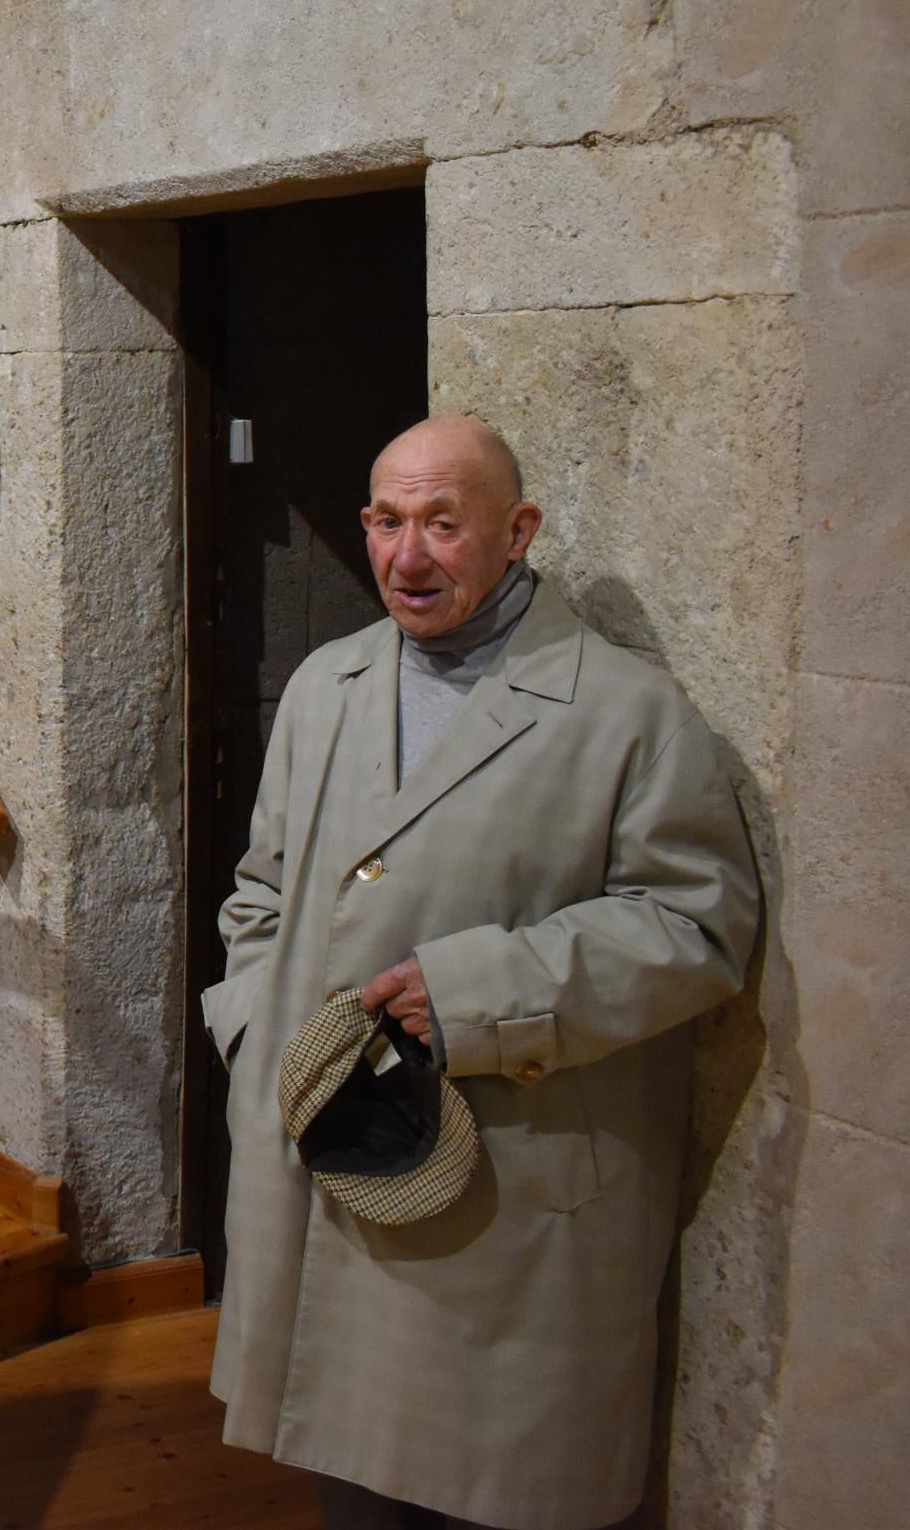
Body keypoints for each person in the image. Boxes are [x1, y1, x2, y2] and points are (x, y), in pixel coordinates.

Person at [209, 415, 762, 1530]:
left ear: (519, 531)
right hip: (334, 1172)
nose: (407, 556)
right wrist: (257, 1037)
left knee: (494, 1489)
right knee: (352, 1488)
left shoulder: (626, 712)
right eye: (387, 521)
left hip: (503, 1202)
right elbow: (259, 892)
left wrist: (477, 994)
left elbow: (698, 926)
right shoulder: (325, 685)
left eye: (444, 524)